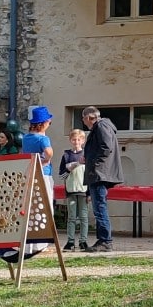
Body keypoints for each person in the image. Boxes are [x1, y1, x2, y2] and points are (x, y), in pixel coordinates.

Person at [83, 105, 125, 253]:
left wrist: (94, 163)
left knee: (100, 207)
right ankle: (104, 240)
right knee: (99, 207)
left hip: (100, 174)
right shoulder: (104, 126)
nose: (84, 122)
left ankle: (105, 240)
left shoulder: (101, 126)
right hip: (100, 173)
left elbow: (106, 147)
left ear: (88, 117)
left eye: (84, 119)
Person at [58, 128, 90, 252]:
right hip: (71, 190)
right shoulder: (66, 155)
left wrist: (89, 193)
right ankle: (70, 241)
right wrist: (68, 169)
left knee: (83, 217)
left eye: (79, 139)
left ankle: (83, 240)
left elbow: (89, 175)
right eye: (74, 139)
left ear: (83, 141)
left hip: (83, 191)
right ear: (70, 140)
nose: (76, 141)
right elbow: (61, 175)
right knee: (71, 217)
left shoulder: (86, 155)